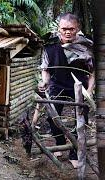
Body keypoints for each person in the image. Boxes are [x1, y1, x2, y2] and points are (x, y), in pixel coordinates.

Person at [38, 13, 95, 168]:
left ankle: (74, 152)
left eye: (71, 29)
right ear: (59, 29)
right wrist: (44, 82)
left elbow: (92, 73)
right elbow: (46, 68)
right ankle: (60, 142)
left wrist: (89, 90)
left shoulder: (86, 46)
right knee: (52, 116)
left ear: (77, 29)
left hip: (80, 87)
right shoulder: (50, 46)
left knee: (81, 121)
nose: (68, 32)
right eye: (64, 29)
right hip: (57, 84)